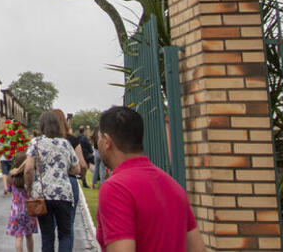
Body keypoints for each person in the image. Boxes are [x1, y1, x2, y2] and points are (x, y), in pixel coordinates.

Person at [93, 105, 206, 252]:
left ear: (107, 141)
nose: (97, 143)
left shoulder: (116, 188)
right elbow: (198, 248)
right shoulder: (173, 186)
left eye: (99, 138)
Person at [12, 110, 78, 252]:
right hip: (64, 194)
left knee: (47, 236)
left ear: (41, 126)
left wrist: (29, 186)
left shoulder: (35, 143)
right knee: (65, 235)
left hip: (43, 195)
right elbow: (77, 169)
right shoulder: (66, 144)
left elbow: (29, 169)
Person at [5, 152, 39, 252]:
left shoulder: (12, 177)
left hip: (16, 211)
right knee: (29, 236)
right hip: (29, 210)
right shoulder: (30, 178)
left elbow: (8, 189)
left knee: (19, 236)